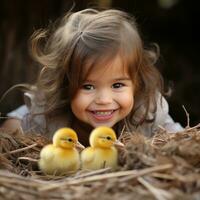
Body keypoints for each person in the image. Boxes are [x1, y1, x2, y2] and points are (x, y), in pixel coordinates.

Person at [1, 8, 183, 146]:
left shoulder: (148, 112)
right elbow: (12, 132)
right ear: (66, 86)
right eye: (88, 86)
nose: (104, 100)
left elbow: (183, 142)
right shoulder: (43, 116)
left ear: (136, 84)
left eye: (118, 85)